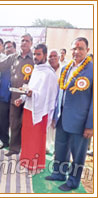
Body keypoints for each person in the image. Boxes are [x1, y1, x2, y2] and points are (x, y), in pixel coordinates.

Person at [45, 37, 93, 191]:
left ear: (87, 51)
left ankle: (73, 181)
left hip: (81, 122)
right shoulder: (66, 68)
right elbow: (60, 94)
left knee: (78, 154)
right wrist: (54, 116)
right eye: (74, 48)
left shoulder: (92, 70)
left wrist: (91, 125)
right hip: (62, 118)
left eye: (81, 49)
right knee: (60, 148)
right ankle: (59, 173)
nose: (77, 52)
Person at [14, 44, 58, 174]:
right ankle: (26, 160)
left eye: (38, 54)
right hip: (29, 108)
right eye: (34, 54)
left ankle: (36, 164)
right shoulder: (36, 69)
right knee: (27, 136)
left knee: (36, 139)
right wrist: (22, 98)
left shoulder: (50, 74)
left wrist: (33, 94)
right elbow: (31, 88)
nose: (35, 57)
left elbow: (50, 96)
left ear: (45, 55)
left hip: (41, 111)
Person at [46, 49, 61, 154]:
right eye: (50, 56)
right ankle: (46, 147)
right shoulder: (46, 70)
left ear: (59, 57)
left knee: (57, 126)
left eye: (54, 56)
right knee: (47, 125)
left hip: (60, 102)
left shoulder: (64, 69)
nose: (52, 58)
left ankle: (57, 149)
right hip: (47, 102)